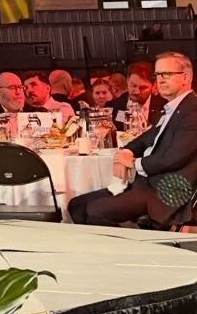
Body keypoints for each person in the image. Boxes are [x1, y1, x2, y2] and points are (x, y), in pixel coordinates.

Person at [70, 53, 197, 227]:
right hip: (146, 182)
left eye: (166, 74)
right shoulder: (171, 108)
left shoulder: (192, 111)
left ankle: (129, 252)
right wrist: (125, 152)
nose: (160, 80)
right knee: (77, 206)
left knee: (96, 212)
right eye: (158, 75)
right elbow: (144, 139)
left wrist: (132, 163)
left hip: (167, 190)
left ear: (185, 77)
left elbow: (172, 158)